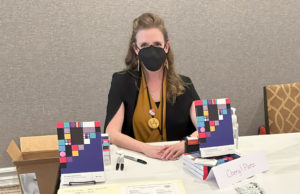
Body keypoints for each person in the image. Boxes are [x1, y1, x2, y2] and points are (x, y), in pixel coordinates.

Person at [104, 13, 200, 161]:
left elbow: (205, 127)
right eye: (144, 46)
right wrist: (145, 148)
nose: (152, 51)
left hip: (177, 161)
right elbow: (112, 133)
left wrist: (184, 145)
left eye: (157, 45)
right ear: (136, 49)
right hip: (138, 161)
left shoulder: (184, 84)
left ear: (166, 47)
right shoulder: (122, 81)